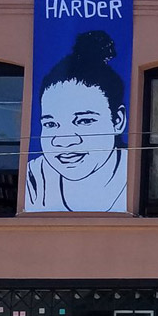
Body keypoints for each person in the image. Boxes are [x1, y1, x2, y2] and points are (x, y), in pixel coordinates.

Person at [26, 29, 129, 212]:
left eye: (83, 121)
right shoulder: (34, 179)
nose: (63, 140)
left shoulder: (139, 172)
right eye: (51, 124)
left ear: (118, 121)